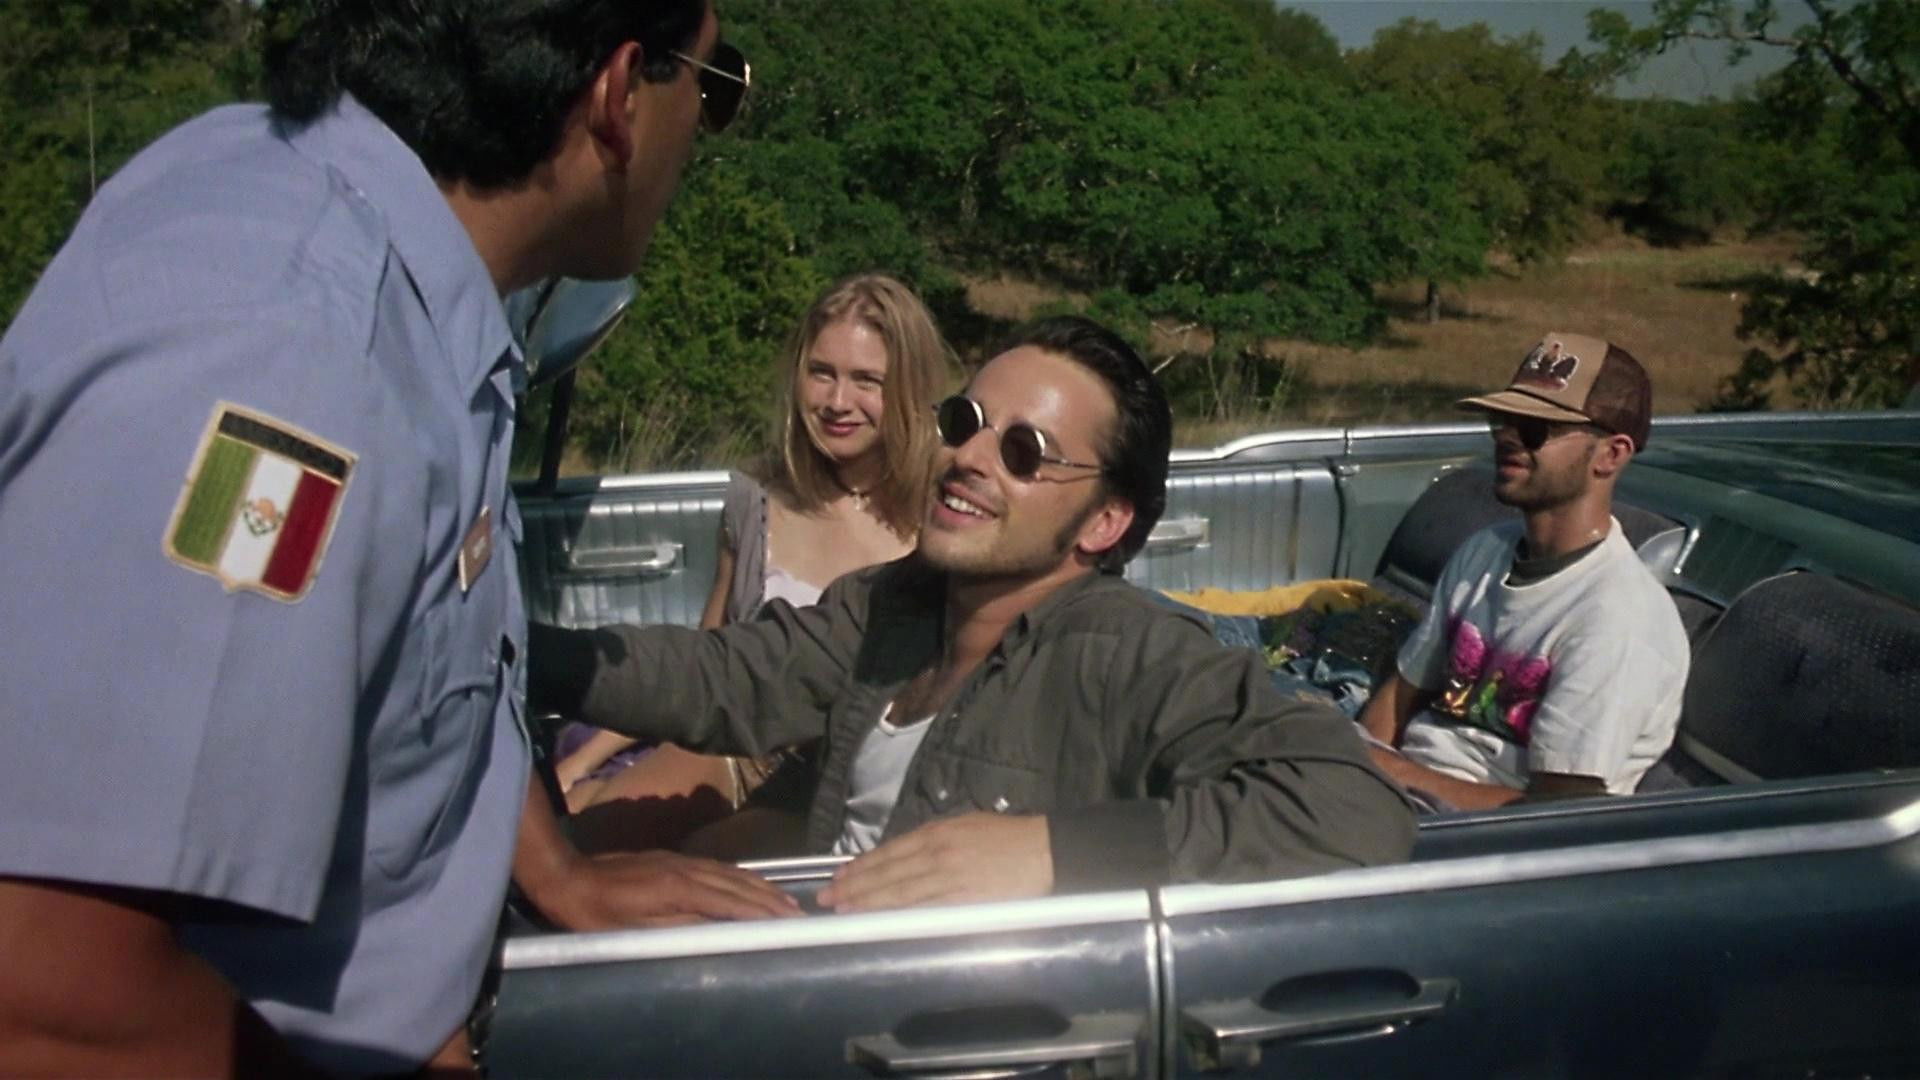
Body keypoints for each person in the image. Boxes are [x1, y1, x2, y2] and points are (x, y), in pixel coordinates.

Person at [0, 2, 792, 1075]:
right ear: (618, 95)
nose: (707, 121)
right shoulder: (295, 360)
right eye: (714, 79)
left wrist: (553, 870)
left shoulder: (397, 263)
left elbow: (430, 649)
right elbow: (47, 997)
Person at [531, 316, 1416, 910]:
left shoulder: (1129, 652)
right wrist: (520, 653)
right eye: (968, 421)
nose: (969, 458)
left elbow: (1354, 805)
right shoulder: (895, 603)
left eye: (1025, 451)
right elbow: (728, 675)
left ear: (1104, 522)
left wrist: (1050, 852)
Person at [555, 274, 953, 836]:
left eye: (867, 380)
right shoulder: (759, 499)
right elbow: (704, 663)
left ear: (908, 388)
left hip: (847, 780)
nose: (838, 402)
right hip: (739, 752)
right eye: (822, 373)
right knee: (581, 828)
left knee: (702, 858)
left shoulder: (944, 515)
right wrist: (582, 761)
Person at [1359, 332, 1690, 811]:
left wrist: (1390, 773)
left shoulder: (1620, 618)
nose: (1508, 437)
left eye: (1536, 428)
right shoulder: (1483, 551)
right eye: (1503, 420)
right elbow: (1401, 694)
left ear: (1611, 455)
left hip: (1465, 831)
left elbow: (1554, 812)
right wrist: (1355, 766)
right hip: (1384, 794)